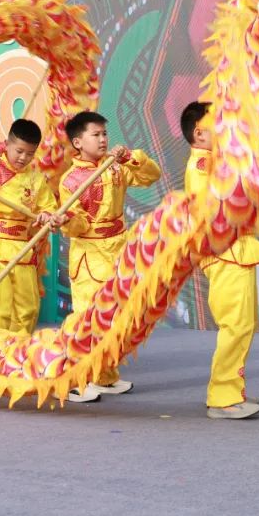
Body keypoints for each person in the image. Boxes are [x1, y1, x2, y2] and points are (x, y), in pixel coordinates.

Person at [60, 111, 161, 403]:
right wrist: (66, 219)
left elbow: (151, 176)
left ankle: (104, 376)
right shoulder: (70, 180)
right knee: (87, 318)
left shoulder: (115, 167)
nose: (103, 139)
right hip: (90, 255)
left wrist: (131, 157)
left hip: (118, 250)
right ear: (78, 142)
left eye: (104, 133)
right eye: (96, 134)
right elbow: (78, 226)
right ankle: (75, 380)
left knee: (113, 317)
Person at [182, 102, 259, 420]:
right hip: (226, 253)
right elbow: (215, 206)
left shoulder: (214, 163)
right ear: (200, 133)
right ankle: (223, 398)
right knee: (235, 325)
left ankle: (231, 391)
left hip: (235, 251)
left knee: (242, 325)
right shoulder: (201, 167)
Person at [0, 119, 61, 335]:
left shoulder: (36, 179)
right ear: (7, 144)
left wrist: (47, 215)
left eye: (30, 153)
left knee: (28, 309)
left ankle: (17, 351)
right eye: (19, 151)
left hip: (22, 249)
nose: (23, 158)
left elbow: (48, 207)